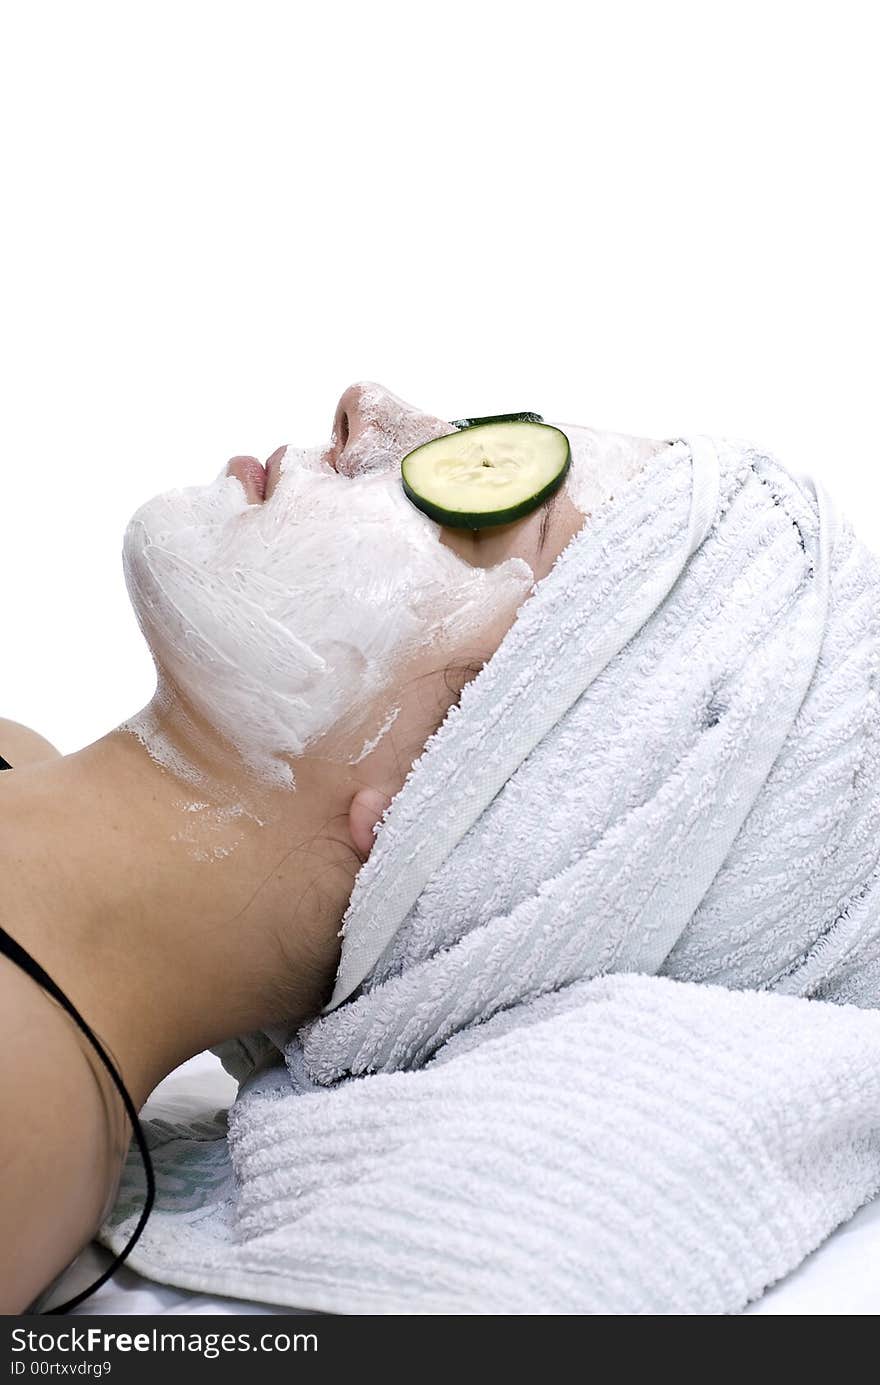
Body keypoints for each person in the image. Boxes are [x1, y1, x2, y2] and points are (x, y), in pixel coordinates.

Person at [0, 381, 666, 1313]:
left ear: (444, 801)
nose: (369, 411)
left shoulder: (19, 1110)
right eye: (475, 438)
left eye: (493, 500)